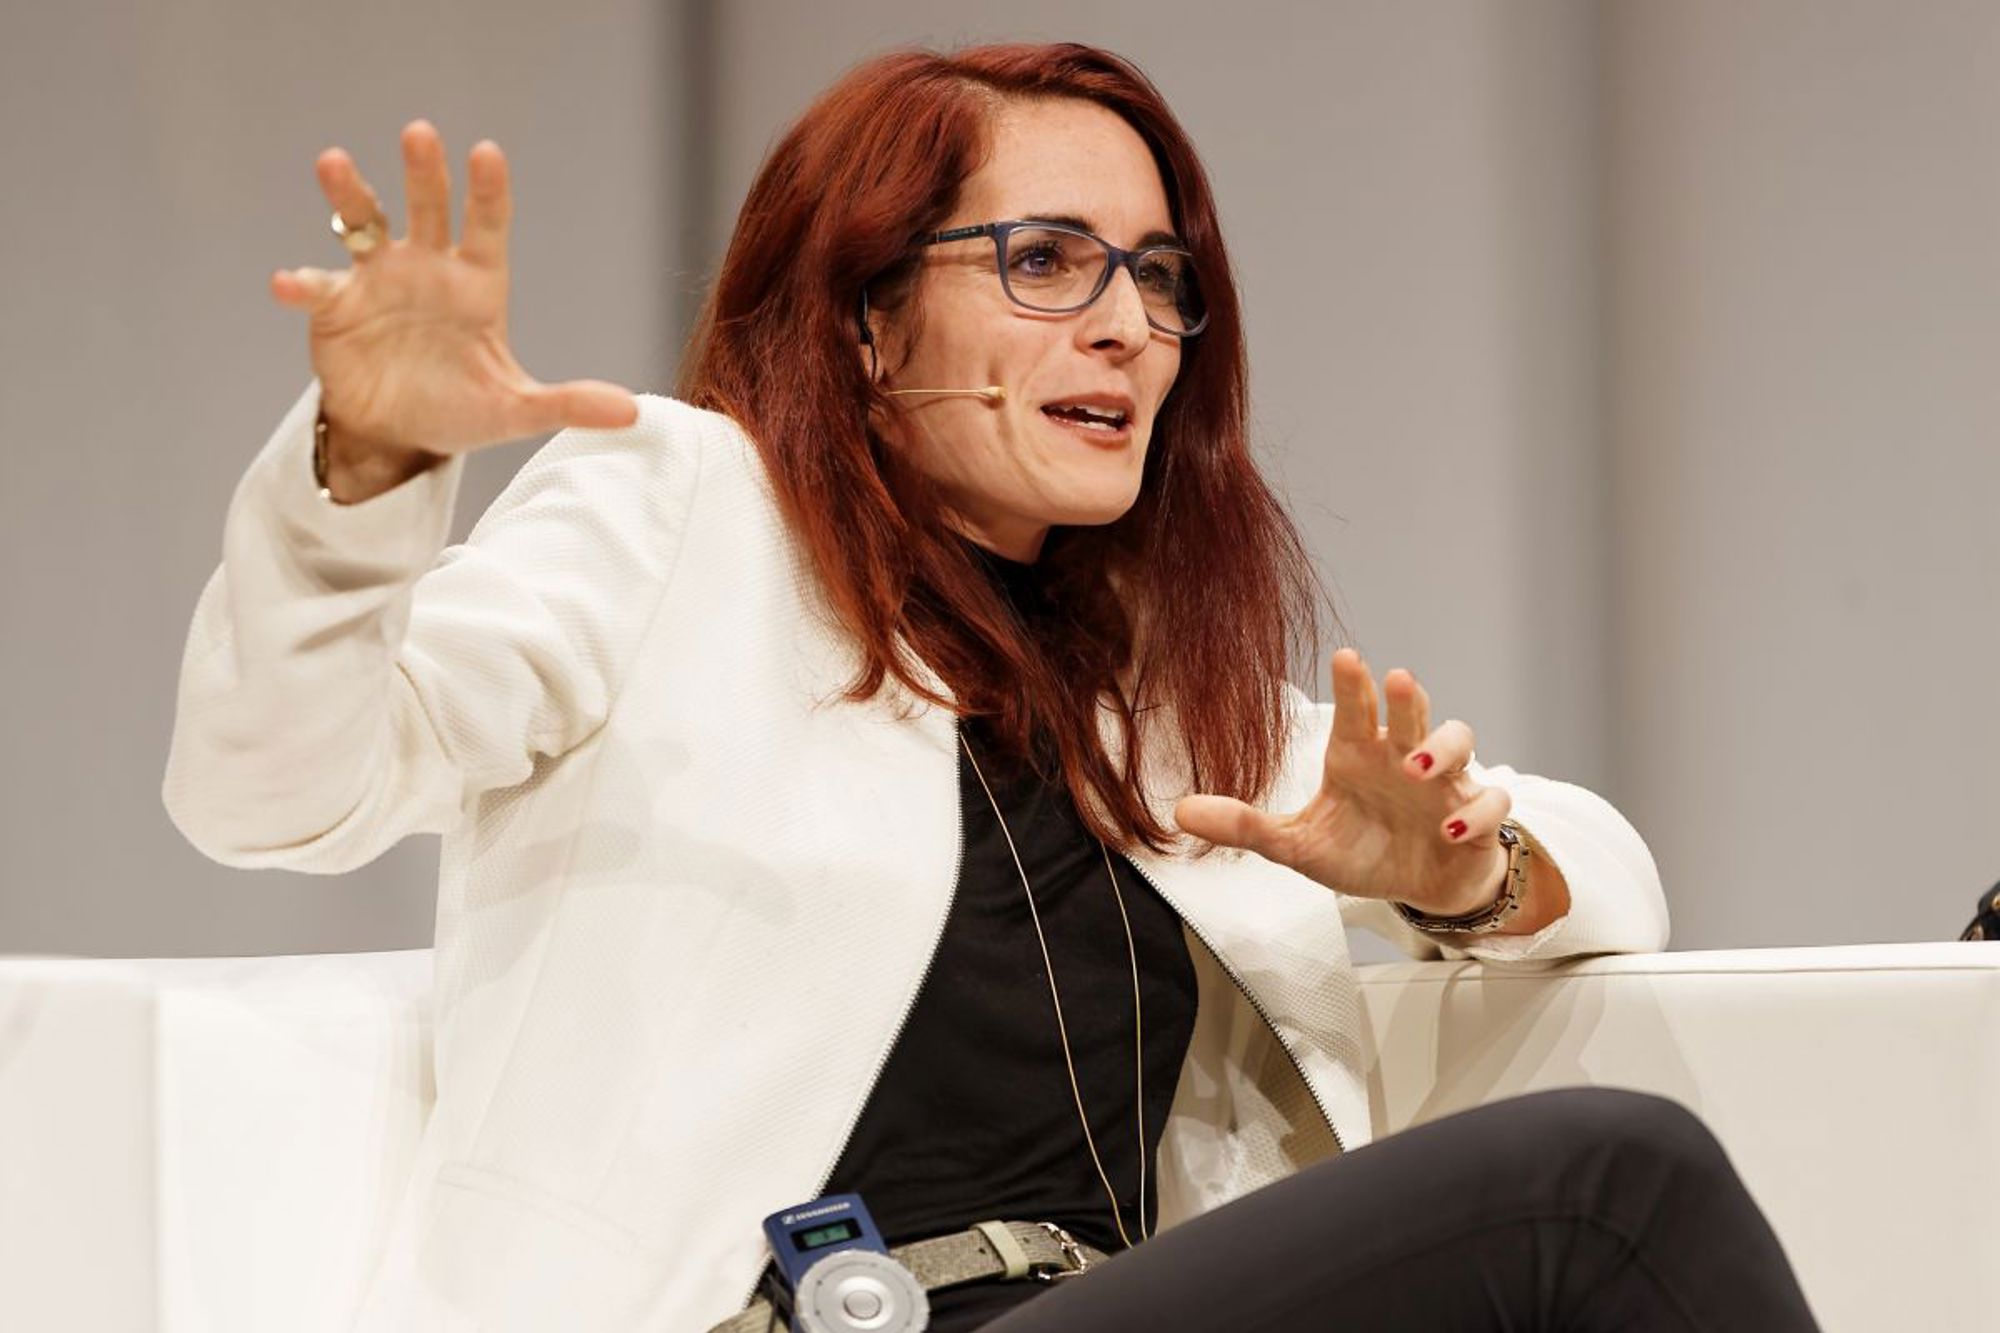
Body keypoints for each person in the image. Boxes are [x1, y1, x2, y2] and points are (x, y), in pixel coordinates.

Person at [163, 41, 1820, 1333]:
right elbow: (273, 789)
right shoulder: (680, 514)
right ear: (868, 321)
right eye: (1047, 260)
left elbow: (1615, 876)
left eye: (1158, 277)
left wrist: (1458, 870)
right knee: (1603, 1186)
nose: (1129, 328)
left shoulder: (1145, 700)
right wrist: (365, 470)